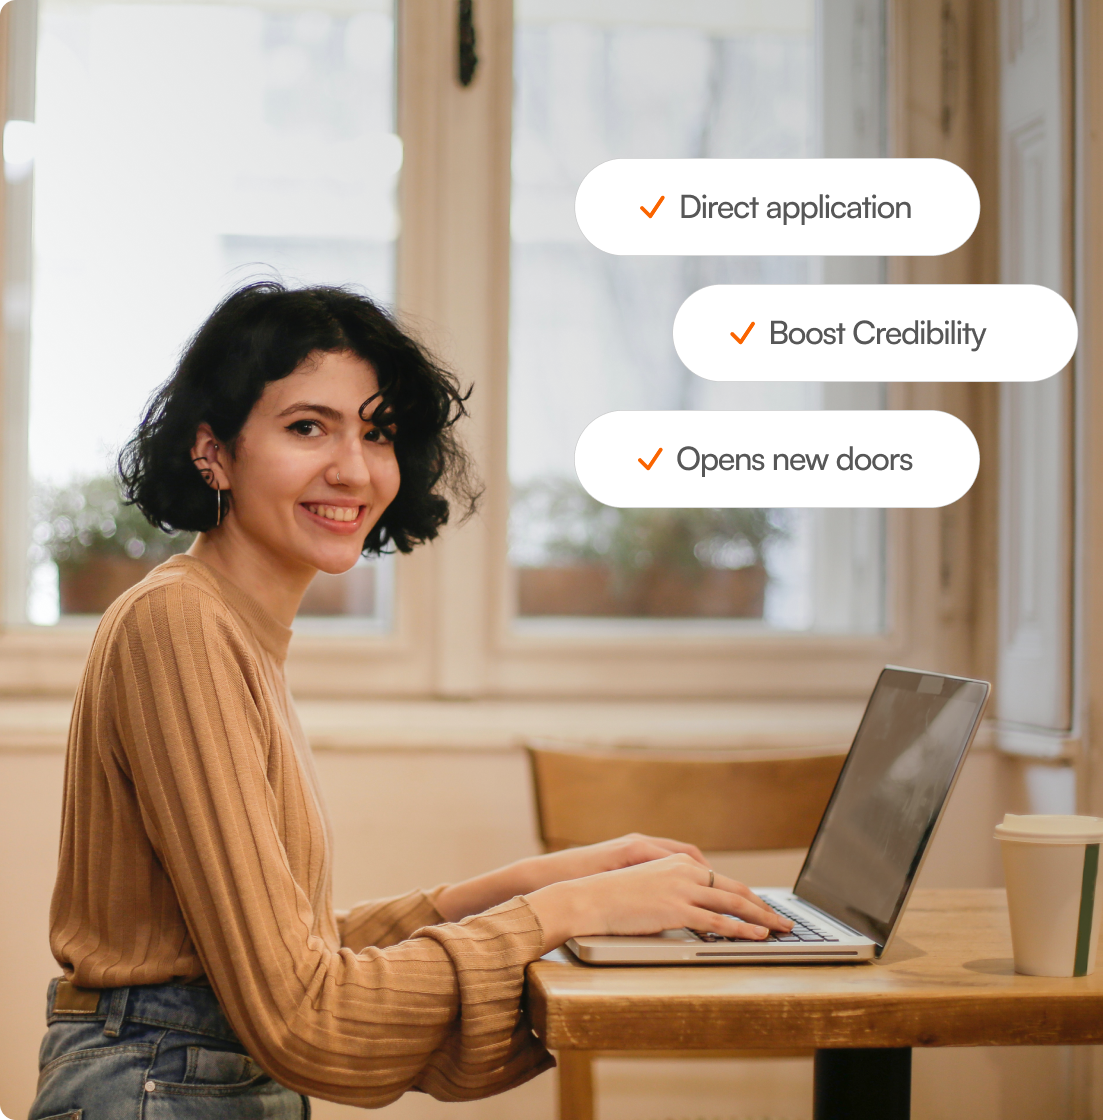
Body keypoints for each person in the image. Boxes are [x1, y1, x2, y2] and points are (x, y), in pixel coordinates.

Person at [30, 282, 789, 1118]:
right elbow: (303, 1012)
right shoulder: (179, 626)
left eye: (378, 430)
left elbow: (290, 952)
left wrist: (541, 882)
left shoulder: (230, 627)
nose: (353, 467)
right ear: (213, 451)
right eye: (307, 426)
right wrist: (573, 910)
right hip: (158, 1089)